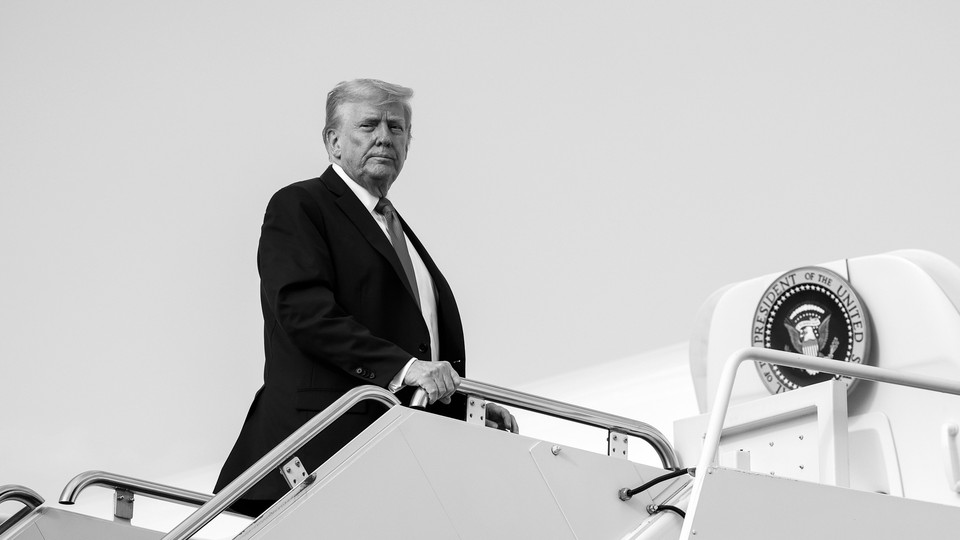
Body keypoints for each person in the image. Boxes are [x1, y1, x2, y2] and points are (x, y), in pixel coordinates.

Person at [215, 79, 517, 516]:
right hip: (319, 456)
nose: (384, 137)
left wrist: (462, 408)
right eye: (369, 125)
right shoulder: (301, 205)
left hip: (398, 460)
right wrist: (406, 369)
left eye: (396, 127)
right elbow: (304, 312)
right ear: (333, 142)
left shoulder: (399, 231)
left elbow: (416, 345)